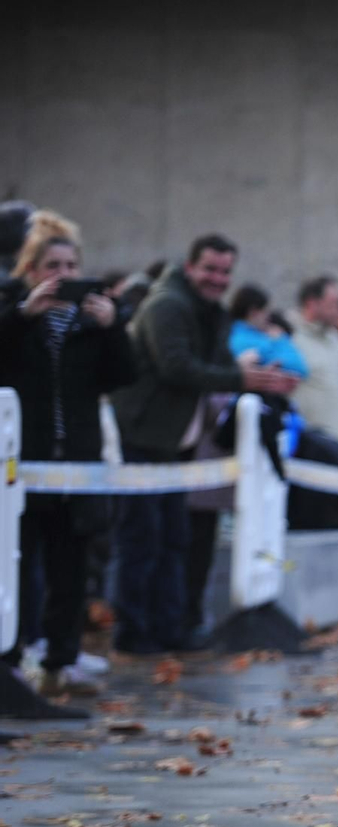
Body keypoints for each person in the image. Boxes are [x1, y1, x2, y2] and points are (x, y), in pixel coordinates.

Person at [112, 233, 298, 653]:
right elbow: (177, 367)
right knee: (142, 538)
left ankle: (169, 628)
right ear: (191, 266)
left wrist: (249, 372)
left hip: (177, 440)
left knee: (174, 536)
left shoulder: (209, 312)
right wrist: (241, 378)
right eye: (211, 269)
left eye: (226, 272)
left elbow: (210, 365)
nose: (218, 279)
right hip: (145, 436)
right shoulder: (166, 306)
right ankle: (132, 632)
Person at [0, 211, 137, 693]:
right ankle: (11, 659)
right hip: (23, 464)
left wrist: (112, 326)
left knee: (71, 567)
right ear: (30, 269)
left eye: (70, 265)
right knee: (15, 563)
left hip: (77, 462)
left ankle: (62, 657)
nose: (62, 275)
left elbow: (123, 377)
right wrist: (22, 315)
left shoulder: (89, 322)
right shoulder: (12, 309)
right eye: (51, 265)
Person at [289, 275, 338, 445]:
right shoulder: (291, 338)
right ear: (312, 303)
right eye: (334, 303)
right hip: (309, 448)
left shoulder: (335, 338)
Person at [227, 285, 307, 377]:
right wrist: (280, 340)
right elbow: (299, 368)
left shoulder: (230, 332)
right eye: (265, 312)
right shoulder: (250, 341)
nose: (268, 318)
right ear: (254, 312)